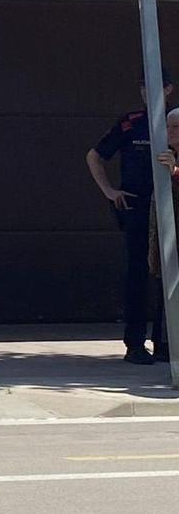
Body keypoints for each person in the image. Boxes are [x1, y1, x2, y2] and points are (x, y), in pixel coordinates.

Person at [86, 69, 173, 364]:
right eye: (143, 87)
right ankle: (134, 344)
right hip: (136, 207)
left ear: (168, 90)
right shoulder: (131, 123)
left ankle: (165, 341)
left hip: (169, 208)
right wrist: (109, 191)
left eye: (153, 87)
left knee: (169, 276)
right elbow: (95, 155)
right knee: (137, 274)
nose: (146, 93)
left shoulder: (173, 124)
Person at [147, 109, 179, 361]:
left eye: (175, 127)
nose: (169, 133)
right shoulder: (164, 153)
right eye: (167, 127)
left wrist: (175, 171)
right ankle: (163, 344)